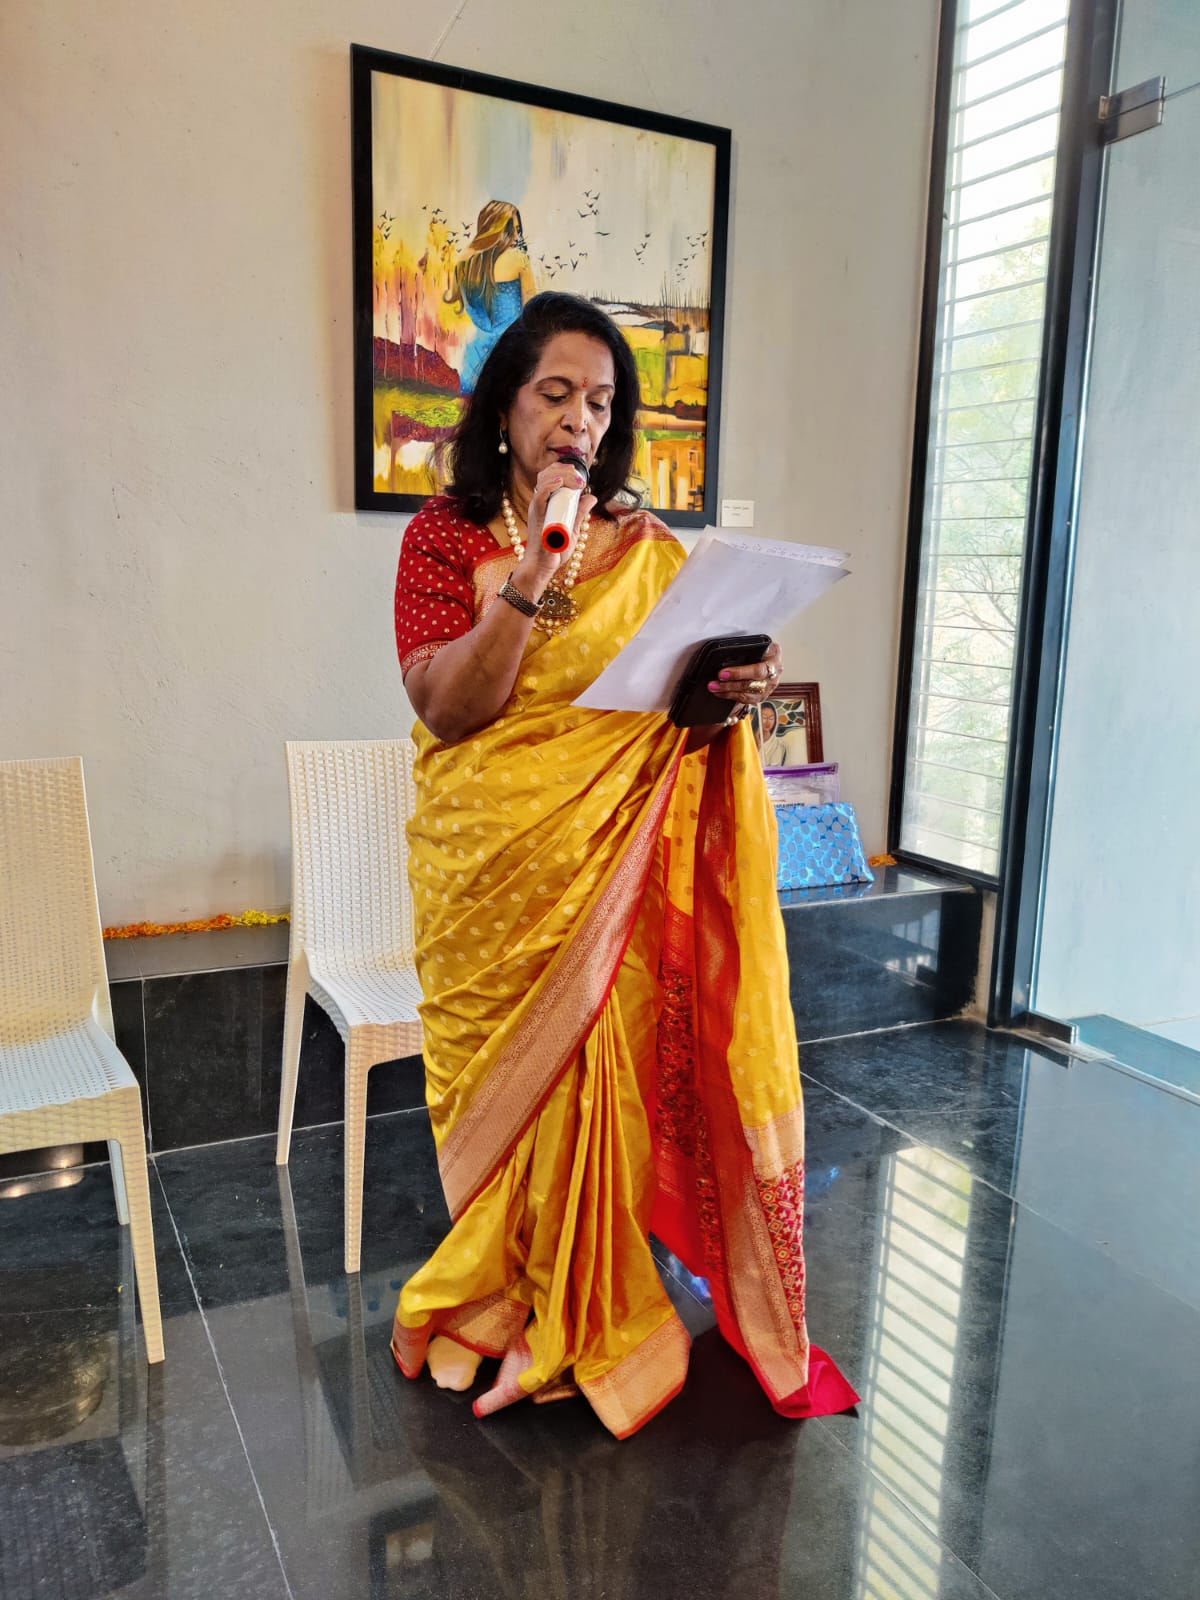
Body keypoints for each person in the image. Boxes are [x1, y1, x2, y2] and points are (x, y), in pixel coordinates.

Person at [391, 292, 858, 1438]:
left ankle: (575, 1304)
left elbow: (661, 731)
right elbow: (451, 707)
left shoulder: (646, 551)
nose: (579, 421)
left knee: (592, 1084)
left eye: (600, 403)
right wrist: (535, 564)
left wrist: (728, 694)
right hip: (487, 872)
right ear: (504, 405)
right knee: (503, 1097)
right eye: (555, 393)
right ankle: (506, 1287)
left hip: (601, 874)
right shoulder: (441, 538)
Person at [444, 200, 536, 394]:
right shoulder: (518, 259)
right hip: (511, 356)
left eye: (518, 231)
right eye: (511, 231)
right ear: (495, 230)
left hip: (473, 360)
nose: (517, 237)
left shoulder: (464, 261)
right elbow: (533, 314)